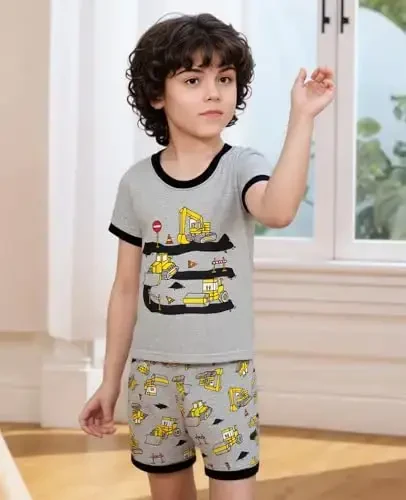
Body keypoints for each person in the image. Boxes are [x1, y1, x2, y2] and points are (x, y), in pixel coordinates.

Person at [79, 12, 335, 500]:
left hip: (225, 376)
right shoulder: (136, 182)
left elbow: (278, 210)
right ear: (158, 95)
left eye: (225, 79)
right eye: (193, 80)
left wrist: (302, 117)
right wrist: (109, 383)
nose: (213, 93)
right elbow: (126, 289)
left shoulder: (242, 166)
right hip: (150, 377)